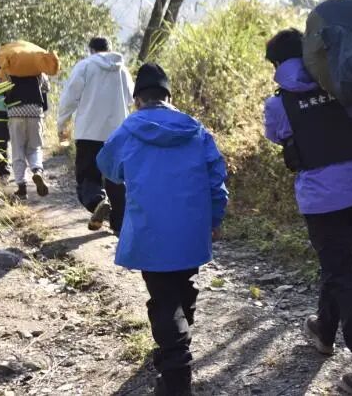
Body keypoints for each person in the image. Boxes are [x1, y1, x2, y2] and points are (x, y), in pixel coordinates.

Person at [263, 28, 352, 396]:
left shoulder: (278, 105)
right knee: (338, 265)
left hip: (322, 200)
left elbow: (275, 135)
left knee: (341, 272)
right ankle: (324, 329)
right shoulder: (339, 83)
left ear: (277, 65)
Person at [96, 63, 228, 396]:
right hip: (191, 229)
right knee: (184, 287)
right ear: (169, 97)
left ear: (138, 100)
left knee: (164, 300)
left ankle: (177, 376)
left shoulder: (129, 129)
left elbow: (107, 166)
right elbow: (217, 180)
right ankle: (175, 348)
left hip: (150, 230)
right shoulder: (195, 129)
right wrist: (215, 219)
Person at [57, 36, 133, 232]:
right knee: (116, 179)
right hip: (118, 133)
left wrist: (62, 123)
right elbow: (131, 99)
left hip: (89, 132)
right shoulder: (122, 70)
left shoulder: (85, 66)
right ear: (109, 48)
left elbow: (69, 98)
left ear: (91, 50)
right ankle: (119, 224)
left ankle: (98, 201)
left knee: (87, 176)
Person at [5, 72, 50, 200]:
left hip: (15, 112)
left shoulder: (9, 67)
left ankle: (22, 187)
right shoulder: (37, 67)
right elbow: (46, 87)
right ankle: (37, 170)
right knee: (34, 148)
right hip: (35, 112)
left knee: (17, 149)